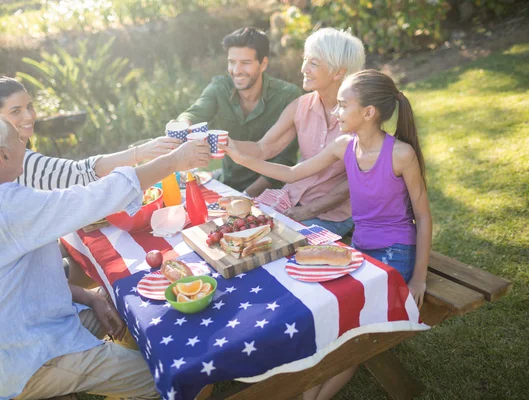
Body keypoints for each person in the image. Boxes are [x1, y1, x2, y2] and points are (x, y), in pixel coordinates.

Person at [0, 104, 210, 400]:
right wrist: (174, 160)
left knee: (122, 296)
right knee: (170, 379)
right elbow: (94, 197)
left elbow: (19, 285)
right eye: (17, 140)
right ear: (2, 156)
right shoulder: (6, 207)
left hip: (23, 335)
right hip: (35, 358)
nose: (24, 143)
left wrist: (90, 297)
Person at [224, 69, 432, 400]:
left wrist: (419, 278)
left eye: (342, 106)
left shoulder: (400, 154)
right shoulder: (344, 145)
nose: (335, 113)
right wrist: (239, 156)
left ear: (368, 113)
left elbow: (422, 214)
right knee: (330, 312)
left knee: (351, 327)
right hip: (361, 249)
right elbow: (292, 172)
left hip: (395, 253)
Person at [0, 76, 183, 287]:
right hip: (23, 280)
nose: (29, 116)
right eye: (15, 111)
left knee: (94, 256)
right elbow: (78, 174)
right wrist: (142, 153)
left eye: (29, 107)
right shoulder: (15, 158)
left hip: (24, 258)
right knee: (114, 269)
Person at [222, 28, 365, 236]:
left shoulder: (359, 116)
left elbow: (352, 183)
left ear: (339, 72)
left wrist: (307, 211)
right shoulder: (301, 105)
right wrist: (225, 144)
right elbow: (264, 148)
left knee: (272, 243)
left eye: (313, 63)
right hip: (290, 200)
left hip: (330, 214)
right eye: (305, 60)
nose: (303, 69)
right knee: (237, 231)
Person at [175, 27, 302, 196]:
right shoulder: (220, 87)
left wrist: (244, 196)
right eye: (232, 62)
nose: (236, 70)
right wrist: (181, 125)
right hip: (227, 182)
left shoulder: (288, 96)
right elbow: (195, 112)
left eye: (246, 63)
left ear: (263, 64)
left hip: (270, 192)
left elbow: (285, 161)